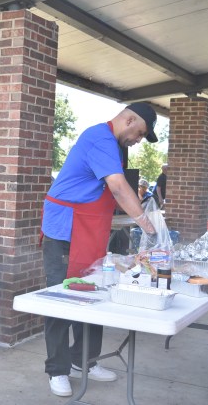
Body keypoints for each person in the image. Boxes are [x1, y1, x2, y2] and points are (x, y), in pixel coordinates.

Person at [40, 102, 158, 397]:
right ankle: (58, 369)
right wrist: (146, 223)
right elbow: (117, 187)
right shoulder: (99, 138)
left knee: (93, 295)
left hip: (88, 231)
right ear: (129, 120)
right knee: (61, 299)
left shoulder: (115, 146)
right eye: (140, 133)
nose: (138, 140)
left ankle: (86, 361)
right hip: (65, 231)